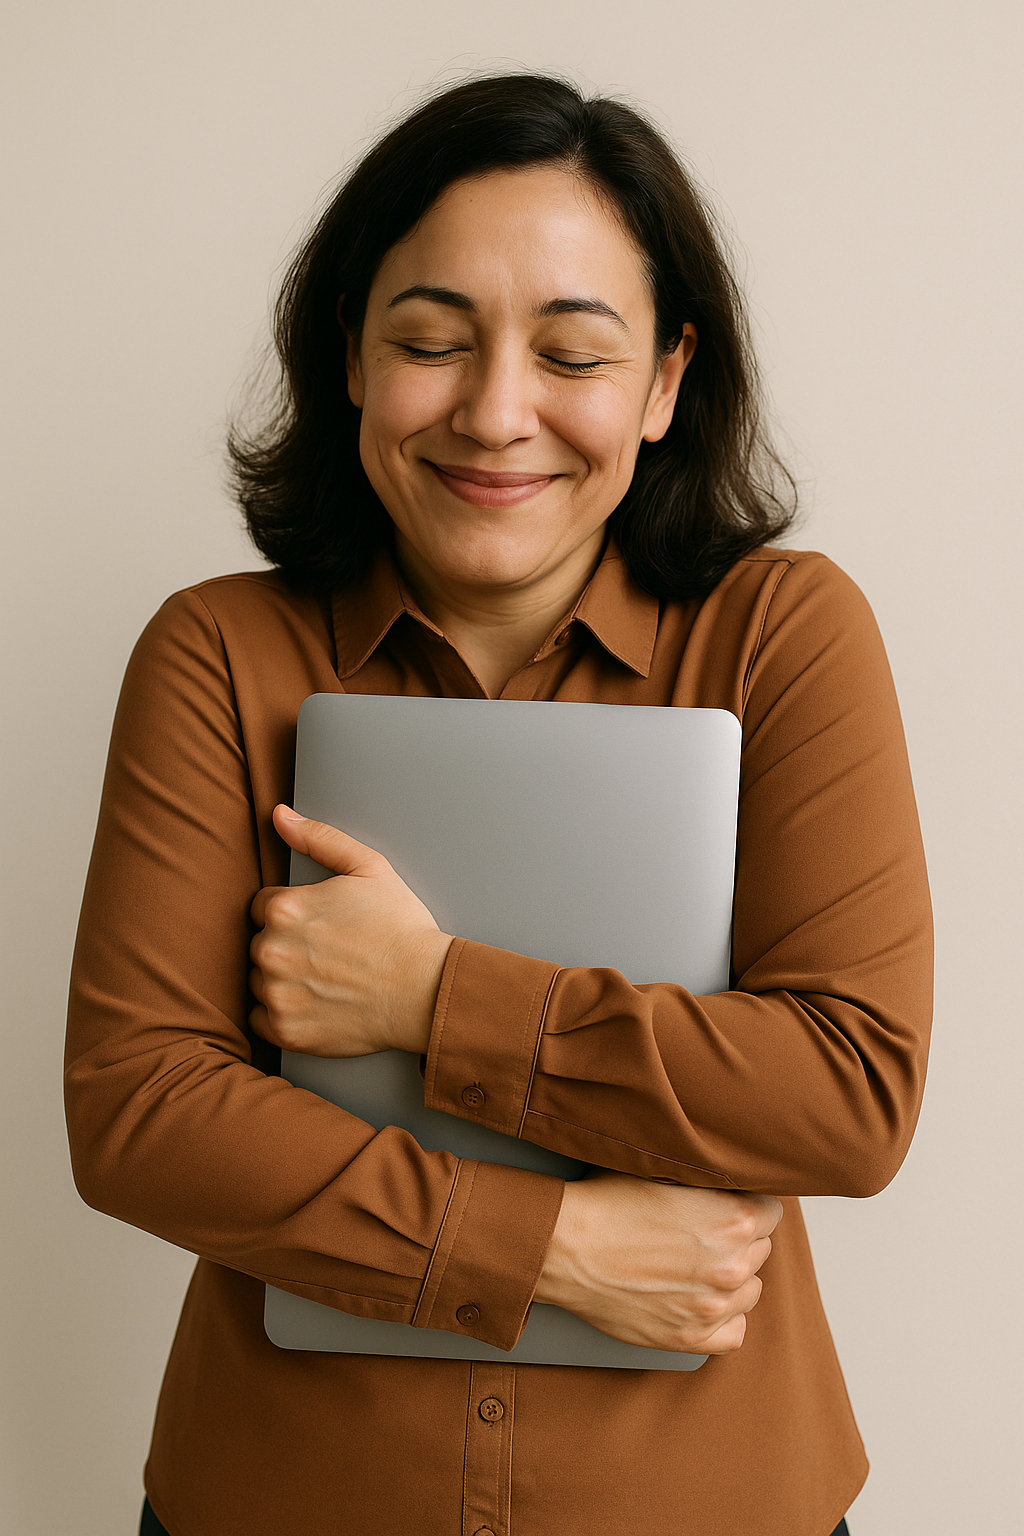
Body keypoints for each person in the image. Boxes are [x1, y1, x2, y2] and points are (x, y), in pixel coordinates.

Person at [64, 73, 932, 1536]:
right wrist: (556, 1249)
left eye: (573, 353)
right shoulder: (215, 651)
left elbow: (847, 1091)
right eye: (430, 340)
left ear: (664, 383)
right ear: (351, 357)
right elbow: (143, 1112)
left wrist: (431, 997)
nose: (495, 411)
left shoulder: (785, 635)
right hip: (283, 1499)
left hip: (711, 1503)